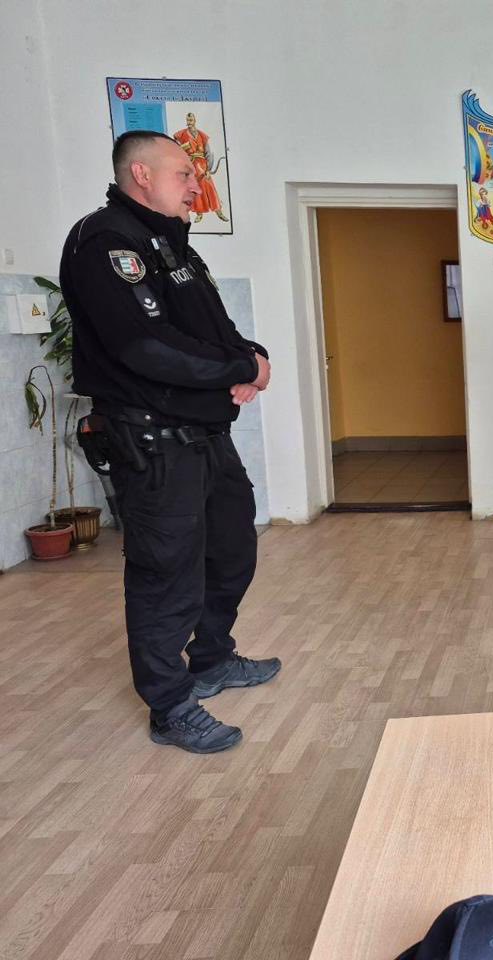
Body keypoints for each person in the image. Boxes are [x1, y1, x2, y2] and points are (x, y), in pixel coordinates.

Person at [59, 130, 279, 753]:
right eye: (184, 173)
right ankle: (171, 706)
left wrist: (251, 356)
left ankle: (211, 659)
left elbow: (211, 327)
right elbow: (145, 347)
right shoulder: (106, 241)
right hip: (152, 440)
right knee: (166, 575)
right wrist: (240, 369)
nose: (195, 186)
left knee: (232, 550)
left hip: (205, 433)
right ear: (141, 174)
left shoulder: (172, 242)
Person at [172, 112, 228, 223]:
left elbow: (208, 153)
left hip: (203, 166)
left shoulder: (202, 135)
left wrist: (208, 169)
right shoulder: (181, 134)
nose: (189, 122)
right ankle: (199, 213)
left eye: (191, 120)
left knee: (210, 188)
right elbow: (175, 149)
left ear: (195, 121)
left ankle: (219, 212)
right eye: (188, 120)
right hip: (191, 167)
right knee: (195, 190)